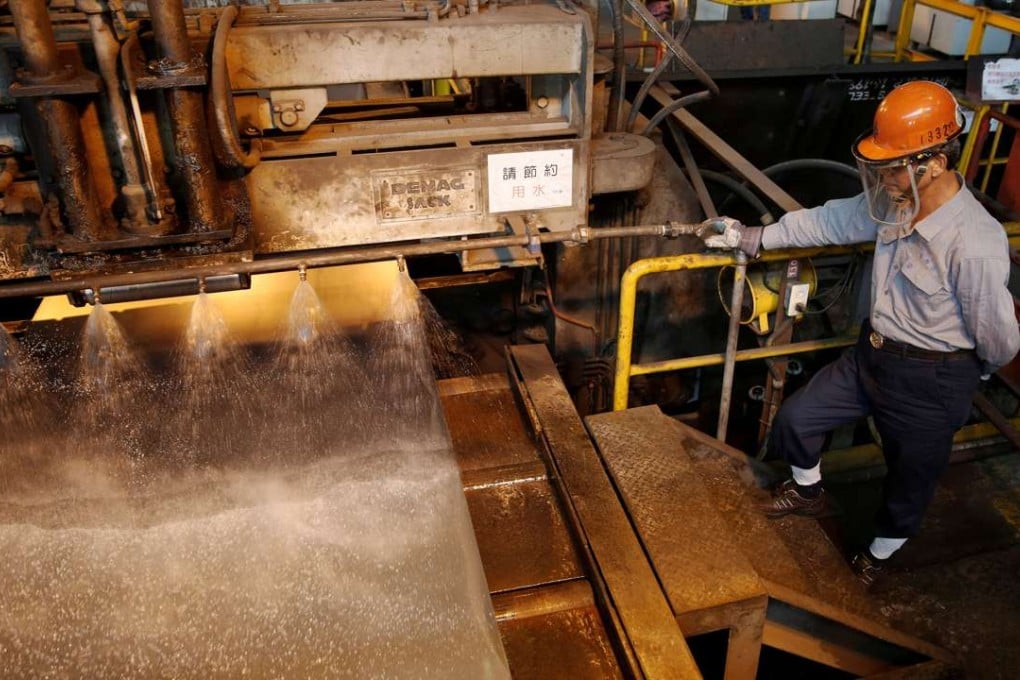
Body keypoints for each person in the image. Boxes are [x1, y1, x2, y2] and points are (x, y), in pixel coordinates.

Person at [698, 80, 1020, 585]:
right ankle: (808, 490)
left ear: (932, 163)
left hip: (933, 378)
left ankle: (878, 555)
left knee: (910, 477)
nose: (882, 178)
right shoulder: (896, 201)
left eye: (890, 166)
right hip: (870, 357)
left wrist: (960, 379)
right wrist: (753, 237)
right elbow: (830, 221)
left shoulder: (975, 241)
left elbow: (999, 338)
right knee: (799, 419)